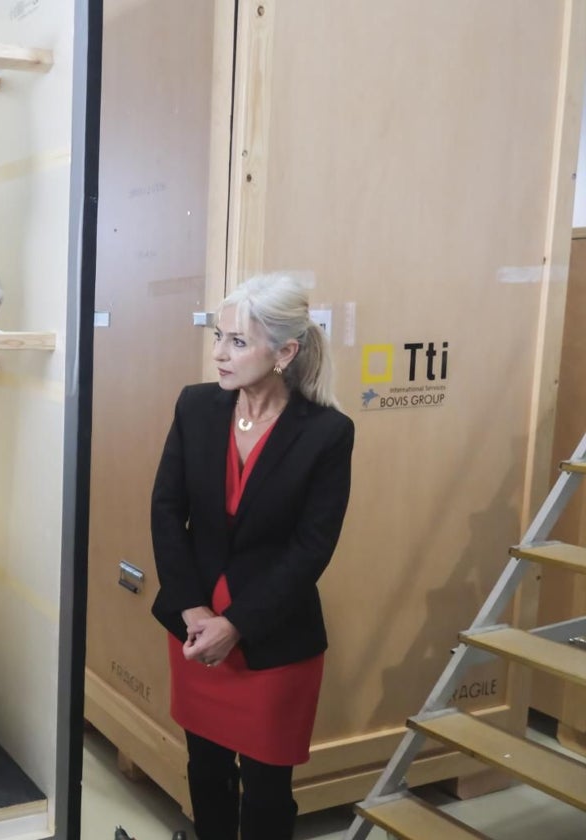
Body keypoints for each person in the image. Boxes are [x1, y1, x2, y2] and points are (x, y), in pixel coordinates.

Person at [151, 274, 354, 840]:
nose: (218, 353)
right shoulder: (196, 407)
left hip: (271, 642)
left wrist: (235, 625)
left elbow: (313, 546)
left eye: (237, 341)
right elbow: (166, 510)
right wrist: (193, 611)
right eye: (219, 336)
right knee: (206, 772)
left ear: (285, 352)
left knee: (266, 791)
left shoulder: (327, 434)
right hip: (194, 632)